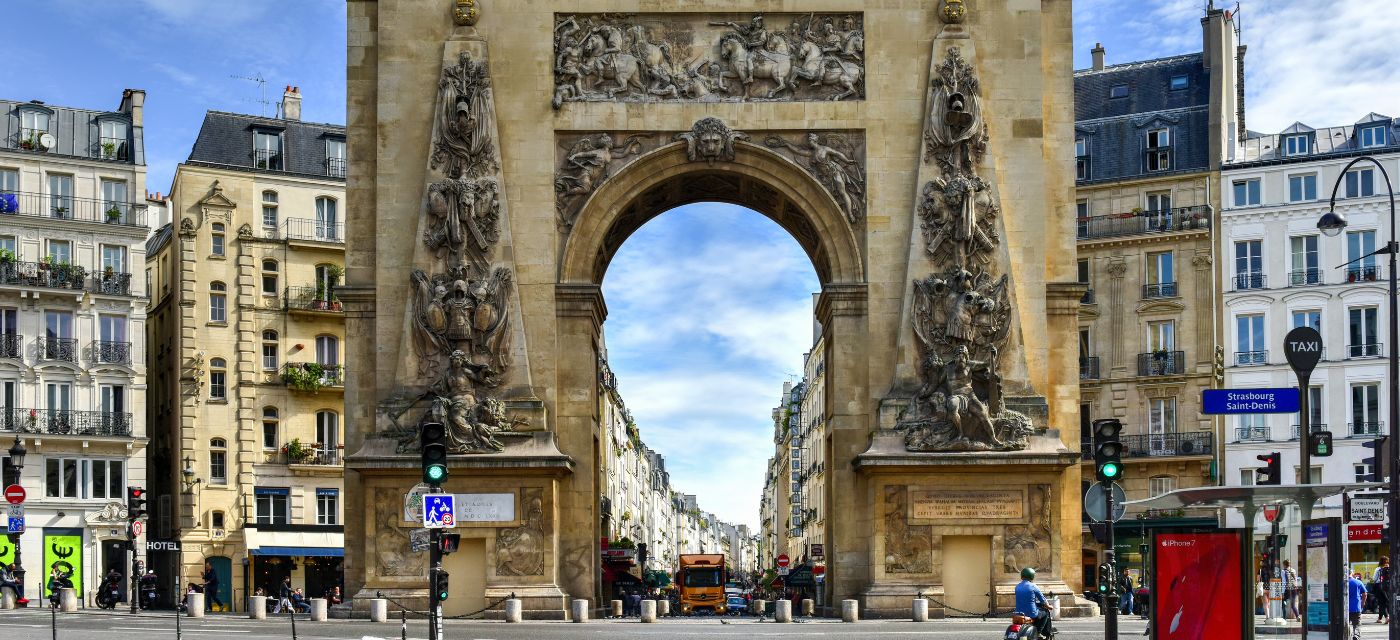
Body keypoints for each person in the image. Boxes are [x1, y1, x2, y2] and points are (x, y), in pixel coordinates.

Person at [1015, 567, 1055, 639]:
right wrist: (1049, 606)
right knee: (1045, 612)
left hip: (1018, 613)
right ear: (1032, 576)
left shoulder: (1017, 586)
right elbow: (1042, 599)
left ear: (1022, 576)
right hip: (1031, 613)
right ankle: (1038, 632)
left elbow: (1024, 598)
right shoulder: (1033, 586)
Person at [1349, 570, 1368, 640]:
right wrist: (1362, 603)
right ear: (1352, 573)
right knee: (1356, 624)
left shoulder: (1341, 582)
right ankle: (1356, 636)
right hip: (1356, 607)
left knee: (1345, 624)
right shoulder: (1358, 582)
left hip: (1344, 608)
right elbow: (1365, 594)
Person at [1375, 557, 1392, 623]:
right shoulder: (1390, 568)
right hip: (1389, 586)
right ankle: (1379, 618)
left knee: (1382, 602)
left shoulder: (1378, 569)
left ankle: (1387, 617)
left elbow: (1375, 578)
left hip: (1380, 586)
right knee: (1385, 601)